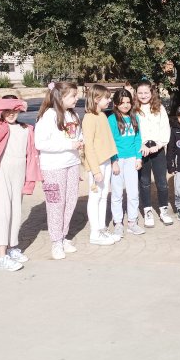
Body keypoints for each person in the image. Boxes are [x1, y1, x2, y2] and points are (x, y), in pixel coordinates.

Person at [0, 96, 41, 271]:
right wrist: (13, 104)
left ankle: (11, 248)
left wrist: (29, 179)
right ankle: (1, 256)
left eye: (15, 110)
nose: (11, 113)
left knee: (15, 211)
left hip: (19, 173)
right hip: (1, 173)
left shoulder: (26, 129)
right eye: (7, 110)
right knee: (2, 212)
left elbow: (31, 155)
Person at [35, 81, 83, 260]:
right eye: (73, 95)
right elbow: (40, 143)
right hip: (53, 167)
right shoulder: (48, 116)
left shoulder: (73, 115)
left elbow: (77, 135)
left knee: (70, 201)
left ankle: (63, 236)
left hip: (72, 164)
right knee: (56, 204)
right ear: (61, 97)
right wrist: (68, 145)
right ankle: (55, 241)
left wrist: (79, 142)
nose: (77, 98)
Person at [82, 84, 119, 246]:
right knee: (95, 197)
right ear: (96, 99)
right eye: (107, 98)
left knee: (104, 196)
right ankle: (94, 232)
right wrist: (95, 170)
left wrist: (113, 160)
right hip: (96, 164)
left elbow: (108, 141)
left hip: (106, 162)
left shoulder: (102, 116)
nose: (109, 101)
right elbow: (88, 146)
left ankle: (102, 228)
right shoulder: (89, 118)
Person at [107, 88, 145, 235]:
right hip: (118, 160)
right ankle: (117, 223)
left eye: (128, 102)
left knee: (133, 192)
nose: (126, 105)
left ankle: (132, 222)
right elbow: (110, 142)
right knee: (117, 193)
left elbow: (137, 139)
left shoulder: (135, 117)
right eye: (122, 103)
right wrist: (114, 161)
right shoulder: (111, 119)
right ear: (116, 104)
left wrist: (138, 158)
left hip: (131, 160)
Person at [136, 80, 173, 227]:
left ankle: (163, 210)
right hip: (142, 150)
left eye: (146, 92)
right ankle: (147, 211)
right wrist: (141, 145)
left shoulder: (159, 108)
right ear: (136, 94)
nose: (143, 95)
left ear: (152, 93)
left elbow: (165, 127)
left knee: (162, 182)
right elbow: (133, 129)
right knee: (144, 182)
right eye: (140, 93)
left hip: (157, 149)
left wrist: (160, 144)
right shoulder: (134, 109)